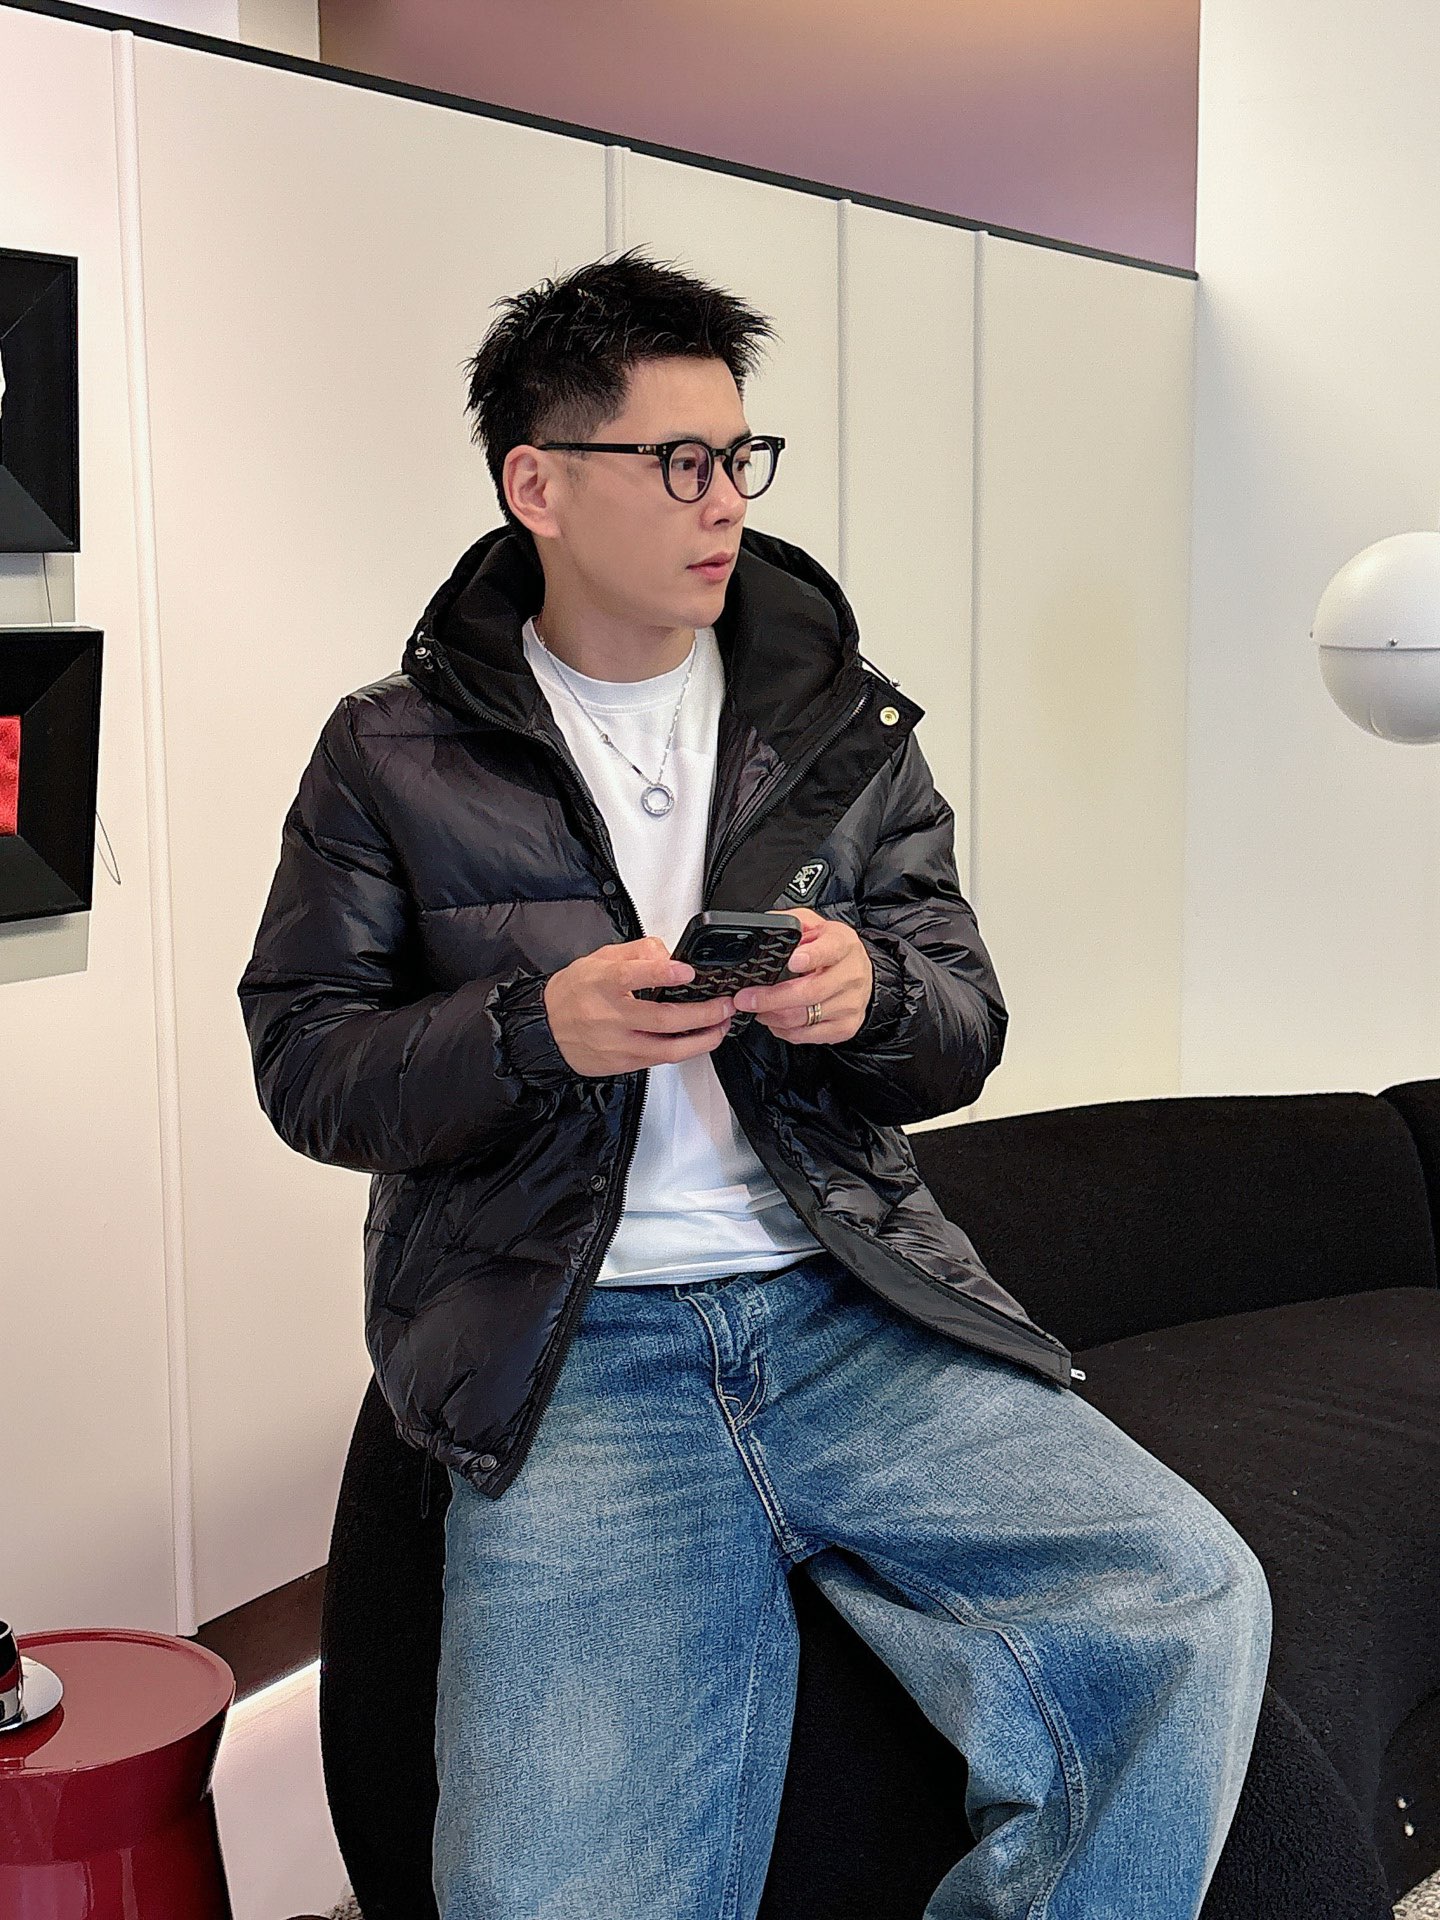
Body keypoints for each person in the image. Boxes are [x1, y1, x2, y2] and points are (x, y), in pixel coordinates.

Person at [237, 246, 1271, 1920]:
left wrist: (868, 999)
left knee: (1192, 1604)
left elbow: (964, 1023)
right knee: (542, 1893)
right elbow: (305, 1064)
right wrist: (534, 1030)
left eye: (739, 455)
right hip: (581, 1353)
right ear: (537, 486)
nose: (726, 501)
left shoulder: (840, 724)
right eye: (678, 461)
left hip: (847, 1308)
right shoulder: (388, 752)